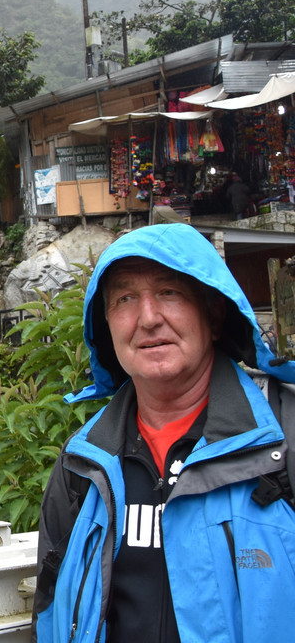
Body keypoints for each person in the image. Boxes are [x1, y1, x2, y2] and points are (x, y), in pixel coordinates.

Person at [33, 222, 295, 643]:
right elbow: (48, 611)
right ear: (106, 328)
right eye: (125, 298)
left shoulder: (281, 439)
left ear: (213, 314)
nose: (148, 318)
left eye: (170, 292)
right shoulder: (83, 464)